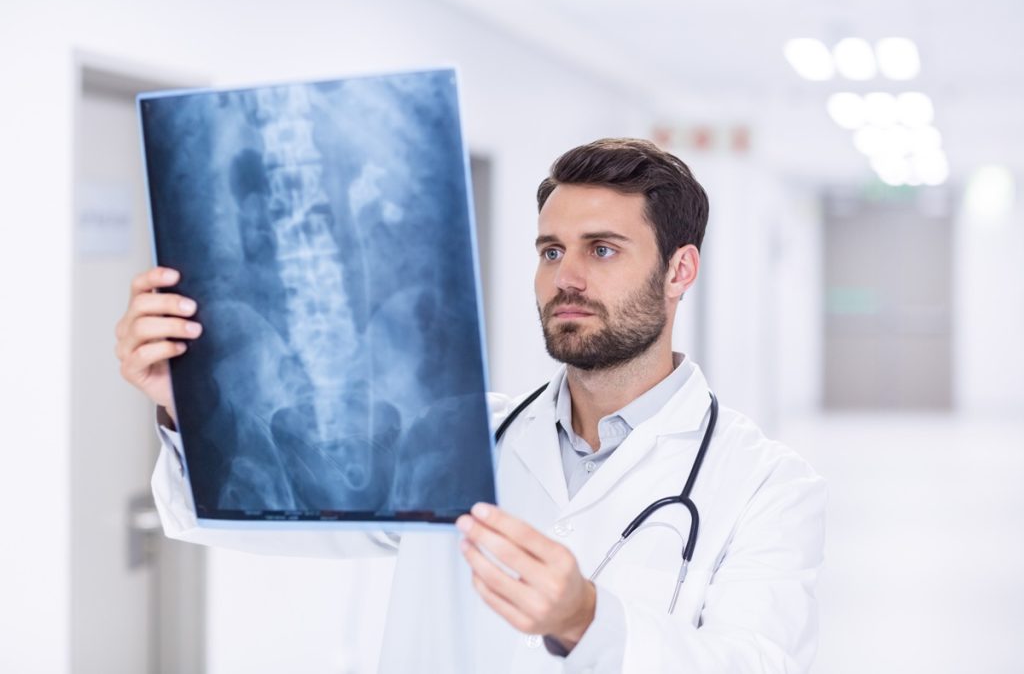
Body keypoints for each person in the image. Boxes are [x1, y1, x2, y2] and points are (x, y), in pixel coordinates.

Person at [115, 138, 826, 673]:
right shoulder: (455, 432)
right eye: (550, 251)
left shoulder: (766, 483)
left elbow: (753, 659)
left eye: (602, 250)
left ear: (680, 270)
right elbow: (264, 513)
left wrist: (588, 620)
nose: (566, 277)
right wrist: (187, 409)